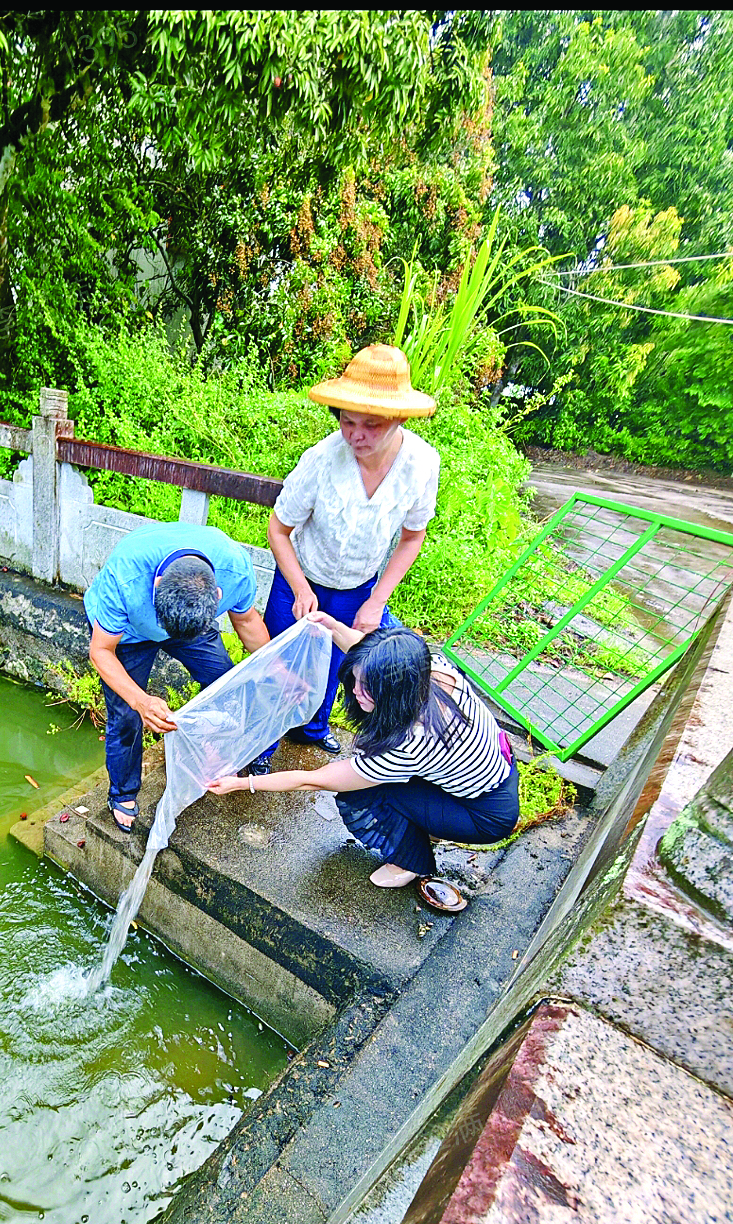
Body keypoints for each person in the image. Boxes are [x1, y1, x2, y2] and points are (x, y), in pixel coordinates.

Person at [209, 615, 519, 913]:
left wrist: (242, 783)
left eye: (367, 688)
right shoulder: (433, 672)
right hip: (492, 771)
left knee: (369, 792)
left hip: (486, 814)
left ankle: (409, 863)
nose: (356, 692)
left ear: (394, 691)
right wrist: (331, 626)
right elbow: (370, 653)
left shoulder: (409, 743)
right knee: (388, 781)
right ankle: (432, 819)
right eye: (357, 680)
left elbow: (316, 779)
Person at [253, 343, 439, 771]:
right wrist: (300, 587)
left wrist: (376, 601)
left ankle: (313, 731)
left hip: (359, 585)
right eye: (347, 421)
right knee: (281, 662)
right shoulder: (321, 459)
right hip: (302, 575)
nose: (356, 435)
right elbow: (278, 529)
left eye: (371, 425)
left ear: (399, 420)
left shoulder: (423, 464)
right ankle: (263, 745)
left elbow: (412, 537)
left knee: (341, 664)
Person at [84, 521, 270, 831]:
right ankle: (122, 793)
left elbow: (248, 621)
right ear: (155, 587)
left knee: (226, 684)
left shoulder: (234, 569)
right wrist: (141, 701)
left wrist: (275, 667)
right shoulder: (126, 575)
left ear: (218, 594)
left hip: (189, 625)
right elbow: (101, 651)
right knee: (126, 717)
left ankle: (215, 752)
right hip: (127, 636)